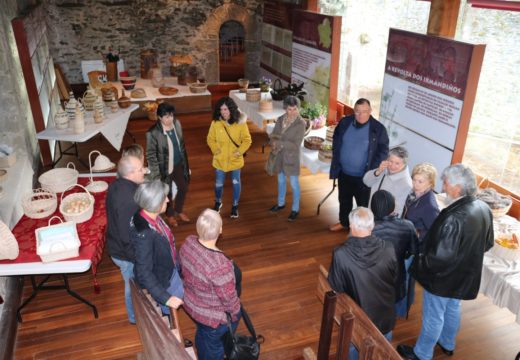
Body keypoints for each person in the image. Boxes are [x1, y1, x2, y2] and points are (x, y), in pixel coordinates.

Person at [397, 164, 494, 360]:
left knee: (433, 316)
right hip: (464, 275)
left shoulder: (453, 217)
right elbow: (487, 243)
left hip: (442, 279)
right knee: (452, 308)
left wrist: (420, 263)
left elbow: (438, 259)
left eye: (446, 182)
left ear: (457, 188)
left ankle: (422, 354)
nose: (443, 186)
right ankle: (448, 342)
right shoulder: (483, 208)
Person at [328, 207, 398, 360]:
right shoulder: (389, 248)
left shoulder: (341, 254)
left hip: (359, 320)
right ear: (372, 226)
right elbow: (395, 279)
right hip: (385, 316)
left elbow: (336, 287)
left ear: (351, 227)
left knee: (354, 351)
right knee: (382, 353)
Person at [180, 209, 241, 360]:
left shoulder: (188, 241)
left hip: (191, 302)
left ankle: (202, 349)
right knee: (213, 348)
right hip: (212, 318)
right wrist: (235, 313)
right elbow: (229, 301)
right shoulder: (220, 266)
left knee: (204, 336)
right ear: (220, 230)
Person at [329, 98, 389, 231]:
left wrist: (372, 171)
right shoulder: (345, 122)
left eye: (364, 111)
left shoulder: (378, 129)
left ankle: (361, 230)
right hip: (344, 173)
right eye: (357, 111)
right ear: (354, 111)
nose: (360, 115)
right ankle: (344, 223)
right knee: (344, 200)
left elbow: (383, 151)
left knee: (362, 205)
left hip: (363, 177)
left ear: (370, 111)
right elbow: (336, 139)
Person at [129, 180, 184, 314]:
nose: (167, 200)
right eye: (163, 198)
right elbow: (144, 272)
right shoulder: (144, 234)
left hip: (168, 270)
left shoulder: (148, 215)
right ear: (154, 203)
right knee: (168, 315)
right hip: (163, 282)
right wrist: (166, 298)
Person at [105, 154, 146, 324]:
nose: (144, 171)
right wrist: (136, 257)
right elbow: (125, 234)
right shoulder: (128, 199)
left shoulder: (117, 185)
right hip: (124, 253)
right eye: (140, 169)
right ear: (130, 174)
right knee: (131, 285)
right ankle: (134, 317)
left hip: (117, 244)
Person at [371, 190, 418, 318]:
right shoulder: (407, 226)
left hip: (371, 279)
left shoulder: (366, 228)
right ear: (392, 206)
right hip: (396, 277)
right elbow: (413, 251)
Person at [207, 96, 252, 219]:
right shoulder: (215, 123)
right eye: (221, 109)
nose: (223, 112)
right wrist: (216, 150)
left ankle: (235, 206)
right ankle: (218, 202)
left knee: (236, 183)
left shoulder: (240, 123)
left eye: (226, 109)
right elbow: (210, 139)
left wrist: (239, 151)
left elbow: (247, 140)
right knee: (218, 184)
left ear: (231, 109)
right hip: (220, 160)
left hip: (235, 160)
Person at [146, 102, 190, 228]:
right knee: (168, 192)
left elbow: (182, 146)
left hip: (178, 164)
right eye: (166, 116)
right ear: (159, 117)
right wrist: (156, 174)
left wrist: (185, 164)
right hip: (163, 168)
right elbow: (150, 155)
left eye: (171, 115)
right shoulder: (153, 133)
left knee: (183, 187)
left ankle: (179, 210)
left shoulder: (177, 124)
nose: (170, 119)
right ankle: (170, 215)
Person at [267, 95, 306, 222]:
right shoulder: (280, 119)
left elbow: (295, 145)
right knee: (281, 181)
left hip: (291, 158)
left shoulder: (301, 124)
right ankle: (281, 203)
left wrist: (280, 143)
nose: (293, 112)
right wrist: (273, 141)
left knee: (294, 184)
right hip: (279, 156)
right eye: (290, 109)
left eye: (295, 109)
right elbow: (274, 134)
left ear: (298, 109)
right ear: (285, 109)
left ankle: (295, 209)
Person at [363, 146, 412, 217]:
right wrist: (378, 172)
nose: (392, 166)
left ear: (404, 164)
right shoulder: (383, 169)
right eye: (391, 161)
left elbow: (398, 210)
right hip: (370, 213)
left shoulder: (406, 183)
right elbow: (366, 182)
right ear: (387, 159)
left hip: (383, 220)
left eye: (397, 163)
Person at [402, 163, 440, 244]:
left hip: (414, 245)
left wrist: (418, 234)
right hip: (404, 236)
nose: (415, 184)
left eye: (420, 181)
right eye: (414, 179)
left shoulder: (430, 206)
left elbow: (435, 232)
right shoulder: (413, 193)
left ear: (430, 183)